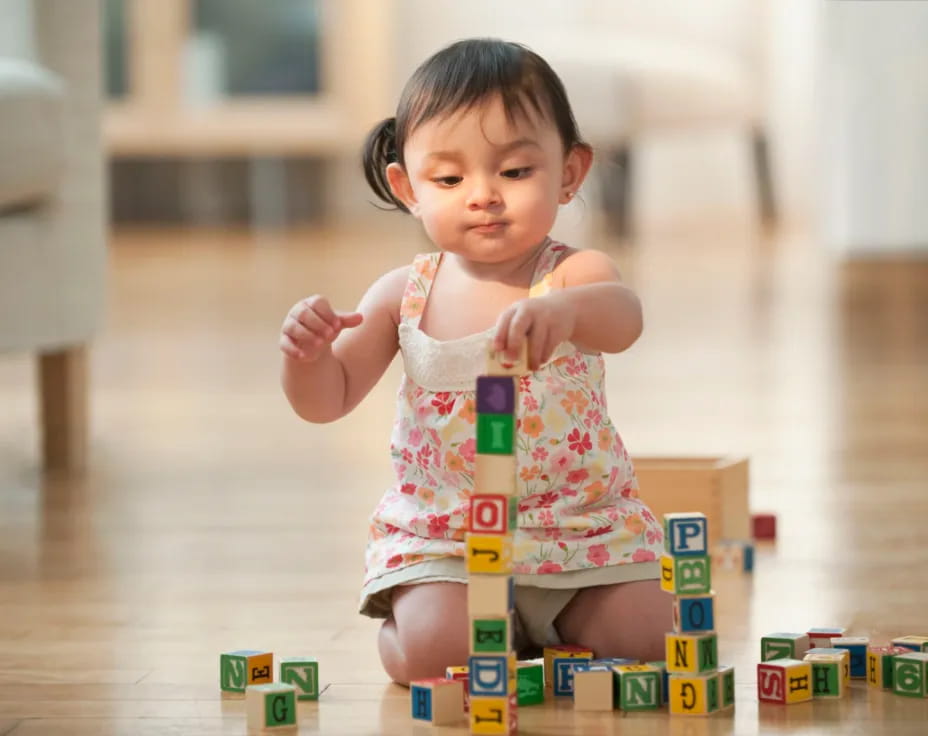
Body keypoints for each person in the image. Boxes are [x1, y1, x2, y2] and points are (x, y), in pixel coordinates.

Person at [280, 38, 670, 686]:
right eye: (449, 179)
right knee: (437, 653)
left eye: (514, 172)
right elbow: (328, 399)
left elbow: (624, 319)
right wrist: (306, 357)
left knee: (653, 637)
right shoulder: (402, 294)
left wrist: (567, 311)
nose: (483, 195)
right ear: (407, 187)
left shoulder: (574, 273)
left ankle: (542, 634)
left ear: (570, 172)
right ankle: (427, 633)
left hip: (579, 531)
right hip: (450, 543)